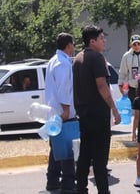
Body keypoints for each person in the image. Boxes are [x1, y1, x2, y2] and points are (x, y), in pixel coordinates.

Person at [73, 24, 121, 194]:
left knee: (85, 155)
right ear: (92, 41)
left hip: (84, 114)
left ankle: (81, 189)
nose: (104, 40)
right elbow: (102, 86)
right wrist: (114, 109)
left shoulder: (78, 58)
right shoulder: (97, 57)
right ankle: (103, 190)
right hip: (98, 114)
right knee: (100, 159)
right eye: (101, 38)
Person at [44, 33, 77, 193]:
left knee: (56, 149)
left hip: (53, 113)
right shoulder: (63, 63)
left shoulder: (53, 60)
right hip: (63, 113)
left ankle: (52, 180)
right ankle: (68, 184)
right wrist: (66, 110)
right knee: (67, 150)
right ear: (68, 45)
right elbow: (63, 89)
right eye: (73, 44)